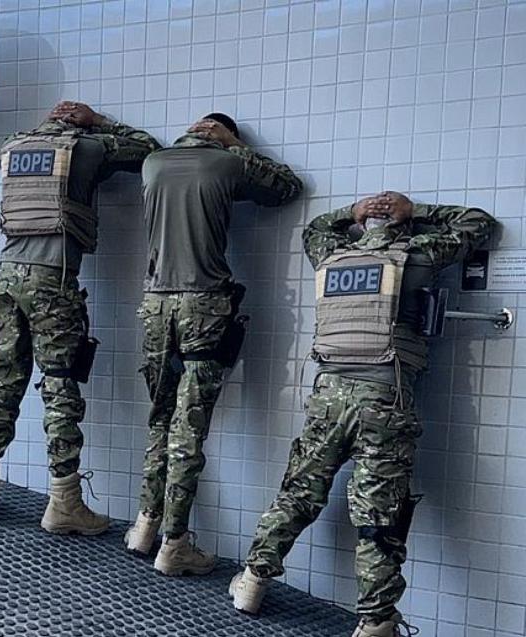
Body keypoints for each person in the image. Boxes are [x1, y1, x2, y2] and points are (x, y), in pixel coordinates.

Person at [229, 192, 496, 636]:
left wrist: (351, 213)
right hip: (384, 399)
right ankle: (375, 622)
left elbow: (315, 228)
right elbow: (477, 222)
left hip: (327, 396)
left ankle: (252, 583)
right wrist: (417, 211)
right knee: (377, 518)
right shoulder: (418, 255)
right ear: (403, 228)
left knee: (297, 494)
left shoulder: (331, 255)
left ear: (361, 228)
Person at [0, 102, 161, 535]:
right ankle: (64, 501)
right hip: (52, 280)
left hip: (5, 278)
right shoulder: (87, 148)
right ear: (77, 122)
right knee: (59, 385)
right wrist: (100, 121)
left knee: (2, 382)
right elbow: (148, 149)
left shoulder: (12, 146)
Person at [124, 114, 303, 575]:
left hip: (154, 305)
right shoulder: (225, 163)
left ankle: (145, 523)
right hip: (203, 306)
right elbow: (286, 187)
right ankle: (174, 544)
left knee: (161, 416)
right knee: (190, 427)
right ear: (222, 134)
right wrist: (235, 146)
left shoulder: (154, 162)